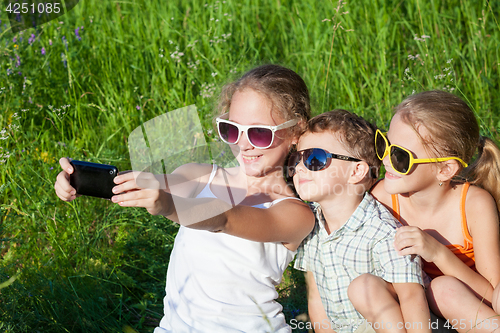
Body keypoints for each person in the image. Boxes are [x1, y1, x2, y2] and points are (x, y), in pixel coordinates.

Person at [54, 64, 316, 333]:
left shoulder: (295, 213)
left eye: (259, 133)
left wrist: (168, 205)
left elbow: (225, 218)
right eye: (232, 130)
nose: (244, 144)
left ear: (295, 132)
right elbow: (139, 182)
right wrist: (78, 180)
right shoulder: (200, 176)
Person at [369, 90, 500, 332]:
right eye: (384, 143)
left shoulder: (474, 205)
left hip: (467, 309)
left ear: (444, 170)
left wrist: (438, 253)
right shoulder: (384, 198)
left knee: (445, 290)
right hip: (411, 313)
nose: (385, 159)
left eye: (400, 156)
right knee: (367, 285)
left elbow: (492, 294)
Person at [291, 110, 429, 333]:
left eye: (314, 158)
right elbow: (316, 299)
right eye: (297, 158)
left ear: (356, 171)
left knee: (363, 287)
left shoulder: (382, 231)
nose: (299, 167)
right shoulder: (310, 224)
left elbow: (412, 297)